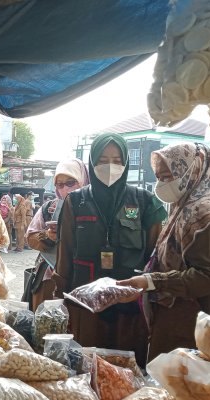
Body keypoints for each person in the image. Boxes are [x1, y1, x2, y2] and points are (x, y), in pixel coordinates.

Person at [118, 143, 210, 361]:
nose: (162, 184)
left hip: (196, 328)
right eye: (159, 177)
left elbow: (209, 277)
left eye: (169, 177)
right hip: (180, 320)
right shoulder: (188, 203)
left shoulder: (208, 212)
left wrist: (152, 281)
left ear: (193, 170)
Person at [52, 133, 167, 366]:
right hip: (85, 305)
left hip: (130, 308)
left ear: (125, 163)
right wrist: (60, 297)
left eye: (117, 160)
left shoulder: (145, 201)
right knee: (86, 366)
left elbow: (156, 257)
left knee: (127, 369)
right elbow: (65, 253)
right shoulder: (75, 202)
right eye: (103, 160)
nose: (110, 166)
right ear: (92, 162)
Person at [25, 159, 89, 311]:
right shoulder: (49, 208)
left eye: (71, 182)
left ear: (83, 180)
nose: (65, 188)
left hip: (81, 280)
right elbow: (30, 237)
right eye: (60, 184)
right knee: (46, 325)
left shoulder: (94, 209)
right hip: (48, 279)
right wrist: (48, 236)